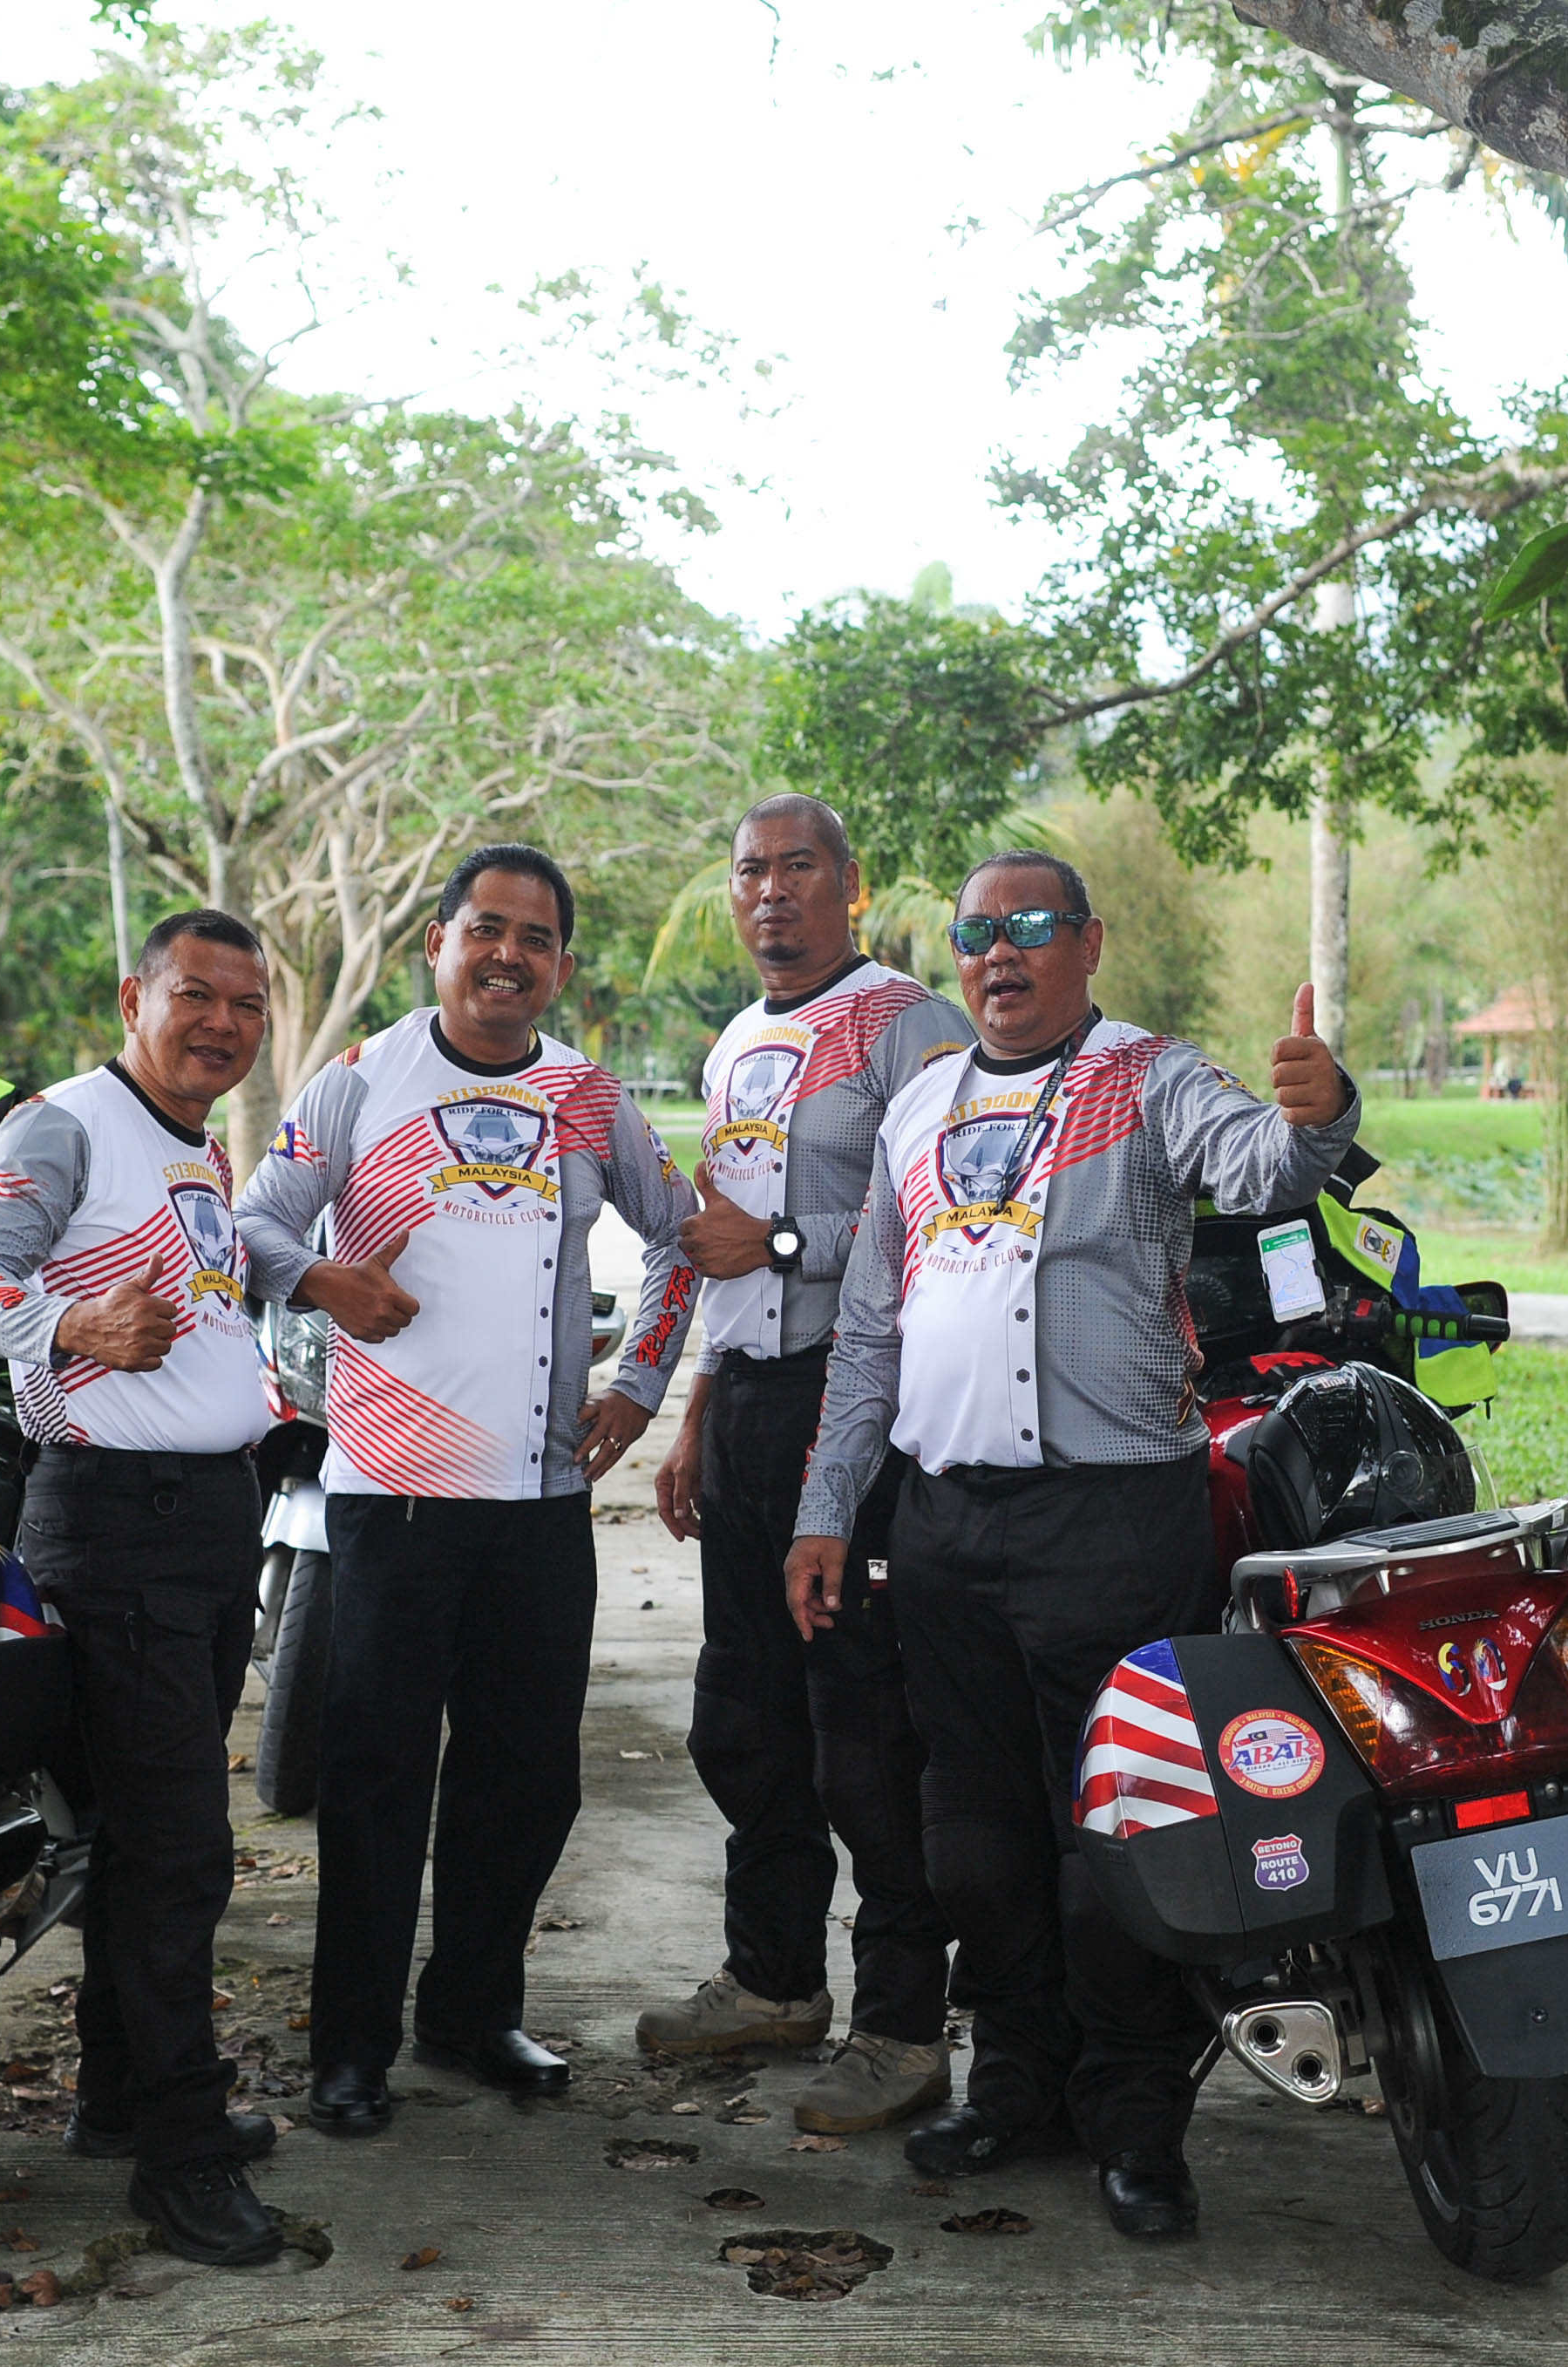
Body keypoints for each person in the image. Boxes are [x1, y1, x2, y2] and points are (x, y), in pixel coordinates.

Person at [784, 849, 1356, 2241]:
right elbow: (870, 1334)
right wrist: (825, 1508)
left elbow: (1267, 1164)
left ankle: (1136, 2124)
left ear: (1089, 945)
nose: (1002, 952)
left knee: (1119, 1836)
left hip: (1115, 1524)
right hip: (946, 1528)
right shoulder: (919, 1108)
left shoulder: (1151, 1078)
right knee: (976, 1837)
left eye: (1032, 926)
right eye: (978, 932)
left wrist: (1322, 1112)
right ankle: (1017, 2086)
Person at [239, 843, 699, 2132]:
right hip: (392, 1497)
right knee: (376, 1776)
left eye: (536, 938)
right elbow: (253, 1227)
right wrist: (326, 1282)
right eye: (486, 929)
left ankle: (474, 2012)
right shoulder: (357, 1081)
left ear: (561, 965)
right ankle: (350, 2049)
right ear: (437, 943)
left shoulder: (589, 1097)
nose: (509, 955)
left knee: (528, 1776)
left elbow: (681, 1236)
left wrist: (640, 1385)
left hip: (541, 1502)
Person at [0, 908, 287, 2268]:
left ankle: (121, 2098)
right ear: (134, 997)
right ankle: (181, 2162)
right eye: (197, 996)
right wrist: (70, 1324)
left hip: (207, 1524)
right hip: (116, 1525)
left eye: (245, 1005)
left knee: (143, 1844)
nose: (222, 1024)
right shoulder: (62, 1125)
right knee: (181, 1851)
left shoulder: (196, 1144)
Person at [639, 794, 969, 2134]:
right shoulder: (735, 1042)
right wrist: (701, 1407)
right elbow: (721, 1250)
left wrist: (779, 1245)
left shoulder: (908, 1027)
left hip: (866, 1411)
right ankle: (774, 1979)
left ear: (851, 881)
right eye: (748, 870)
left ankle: (901, 2027)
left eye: (797, 867)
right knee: (744, 1714)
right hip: (755, 1412)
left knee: (864, 1738)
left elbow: (940, 1218)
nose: (770, 891)